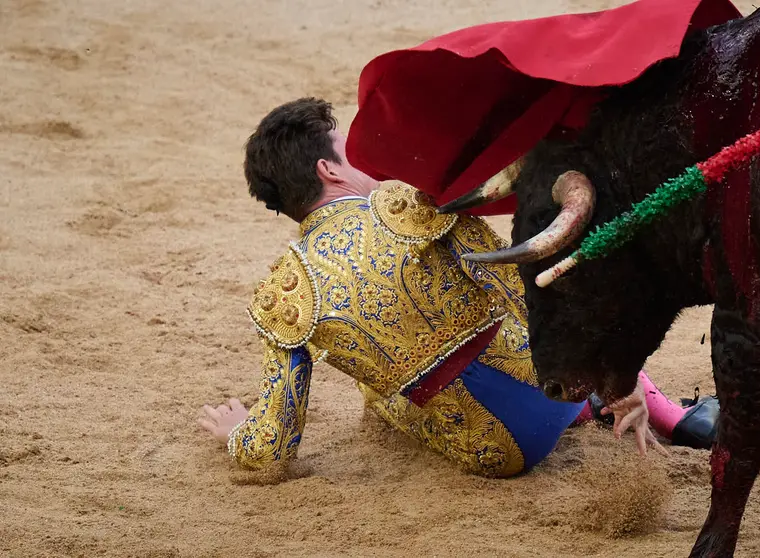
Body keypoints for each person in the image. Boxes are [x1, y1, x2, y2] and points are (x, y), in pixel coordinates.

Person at [197, 98, 718, 478]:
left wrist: (238, 433)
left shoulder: (284, 294)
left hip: (497, 453)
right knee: (534, 297)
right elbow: (527, 296)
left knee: (374, 387)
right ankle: (663, 412)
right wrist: (617, 380)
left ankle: (597, 407)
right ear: (328, 169)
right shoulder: (405, 204)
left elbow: (271, 452)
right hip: (556, 389)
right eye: (348, 152)